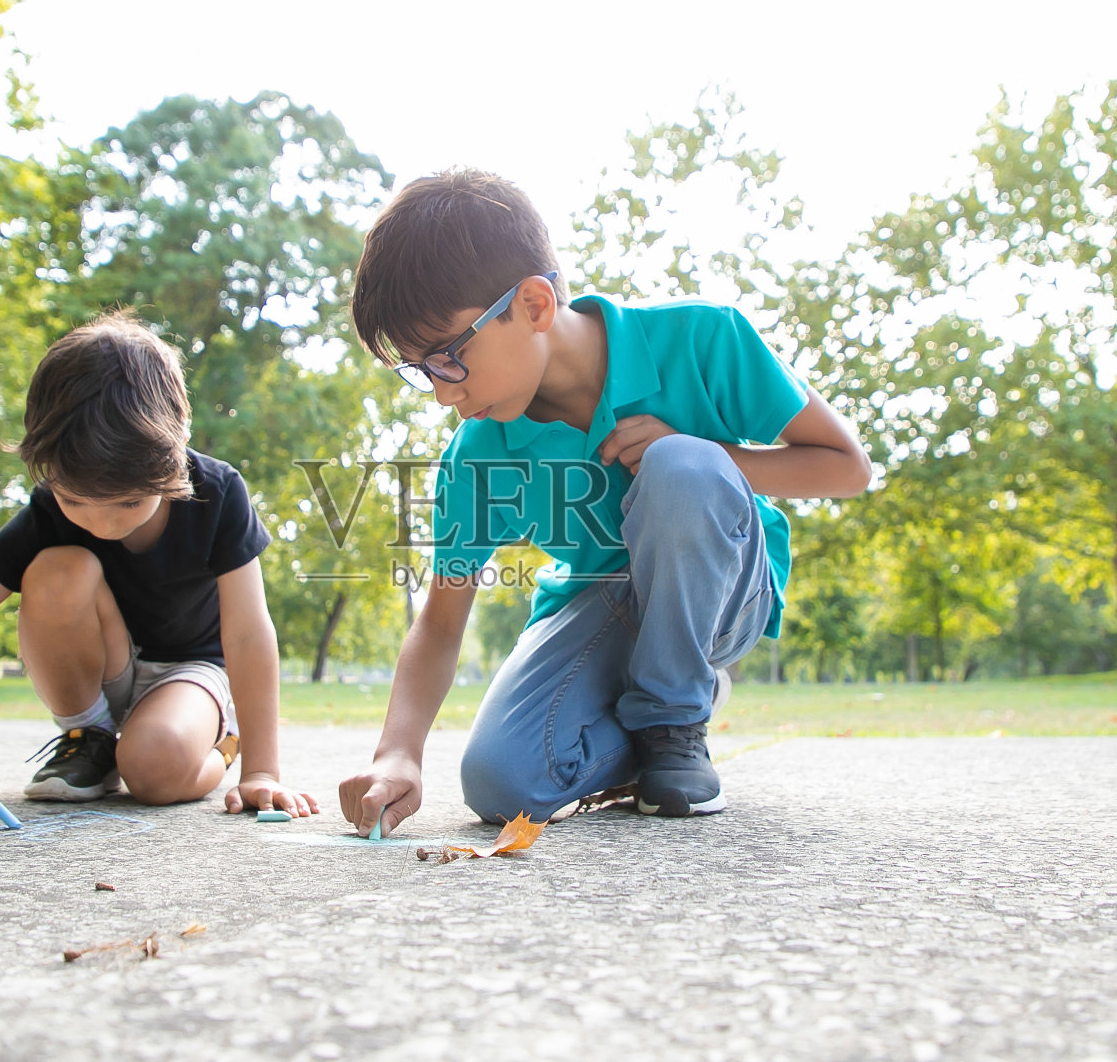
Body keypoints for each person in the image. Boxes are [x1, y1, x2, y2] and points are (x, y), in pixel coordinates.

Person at [339, 169, 870, 834]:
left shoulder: (702, 338)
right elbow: (442, 622)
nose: (443, 392)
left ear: (533, 304)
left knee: (683, 467)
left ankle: (676, 718)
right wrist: (398, 753)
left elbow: (848, 467)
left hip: (724, 588)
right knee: (500, 784)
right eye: (422, 370)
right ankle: (638, 730)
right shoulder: (479, 452)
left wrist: (704, 452)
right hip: (600, 600)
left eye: (449, 357)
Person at [0, 312, 317, 818]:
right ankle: (87, 739)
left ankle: (224, 743)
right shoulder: (47, 508)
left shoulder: (219, 493)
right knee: (56, 571)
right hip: (101, 667)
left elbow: (247, 634)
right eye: (76, 503)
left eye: (130, 504)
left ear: (176, 452)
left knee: (153, 770)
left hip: (189, 672)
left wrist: (262, 772)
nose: (103, 525)